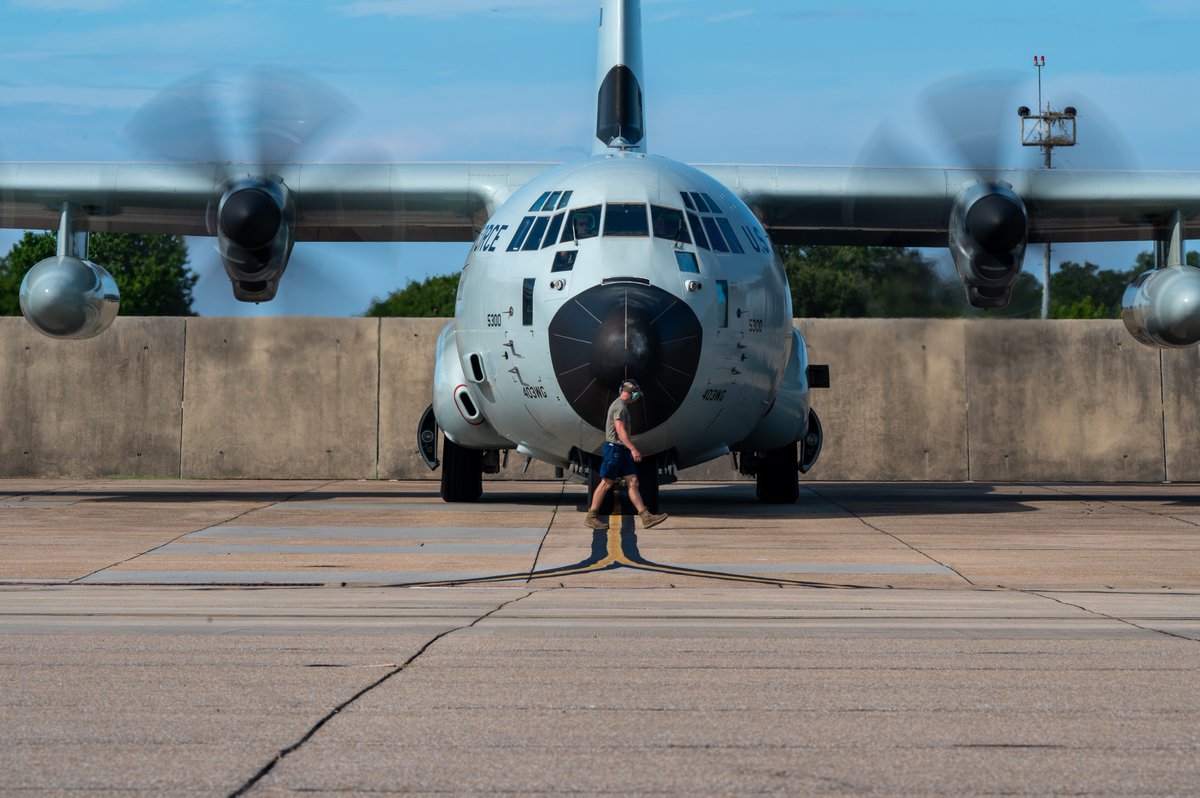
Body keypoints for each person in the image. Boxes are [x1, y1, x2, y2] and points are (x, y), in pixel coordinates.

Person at [585, 379, 669, 530]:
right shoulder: (619, 407)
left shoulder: (622, 406)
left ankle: (645, 516)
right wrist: (633, 449)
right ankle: (591, 517)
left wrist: (627, 449)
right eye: (636, 393)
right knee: (606, 483)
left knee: (633, 482)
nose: (637, 396)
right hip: (615, 450)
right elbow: (620, 430)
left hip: (621, 450)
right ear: (632, 392)